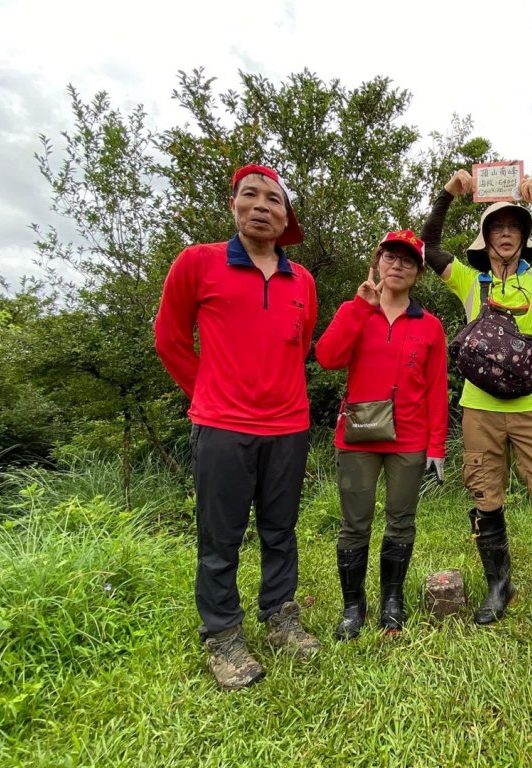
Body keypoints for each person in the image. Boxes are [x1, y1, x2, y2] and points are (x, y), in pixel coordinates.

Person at [154, 163, 320, 690]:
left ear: (285, 215)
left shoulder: (303, 281)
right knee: (220, 537)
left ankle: (279, 616)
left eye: (273, 199)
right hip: (222, 426)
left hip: (289, 426)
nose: (262, 206)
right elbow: (170, 338)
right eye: (250, 195)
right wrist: (205, 392)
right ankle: (223, 635)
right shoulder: (198, 262)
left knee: (280, 530)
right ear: (234, 204)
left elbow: (300, 345)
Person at [421, 168, 532, 628]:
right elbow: (428, 247)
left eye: (515, 228)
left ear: (524, 238)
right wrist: (447, 194)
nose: (506, 234)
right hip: (479, 410)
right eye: (498, 228)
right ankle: (499, 586)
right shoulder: (467, 280)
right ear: (486, 238)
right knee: (486, 498)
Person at [315, 230, 449, 641]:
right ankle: (353, 606)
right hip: (357, 437)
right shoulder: (356, 311)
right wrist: (359, 307)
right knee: (354, 525)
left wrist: (437, 447)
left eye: (407, 260)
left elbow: (436, 389)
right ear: (377, 263)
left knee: (401, 522)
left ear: (418, 272)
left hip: (408, 440)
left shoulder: (429, 326)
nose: (397, 265)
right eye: (390, 257)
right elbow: (327, 358)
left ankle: (392, 600)